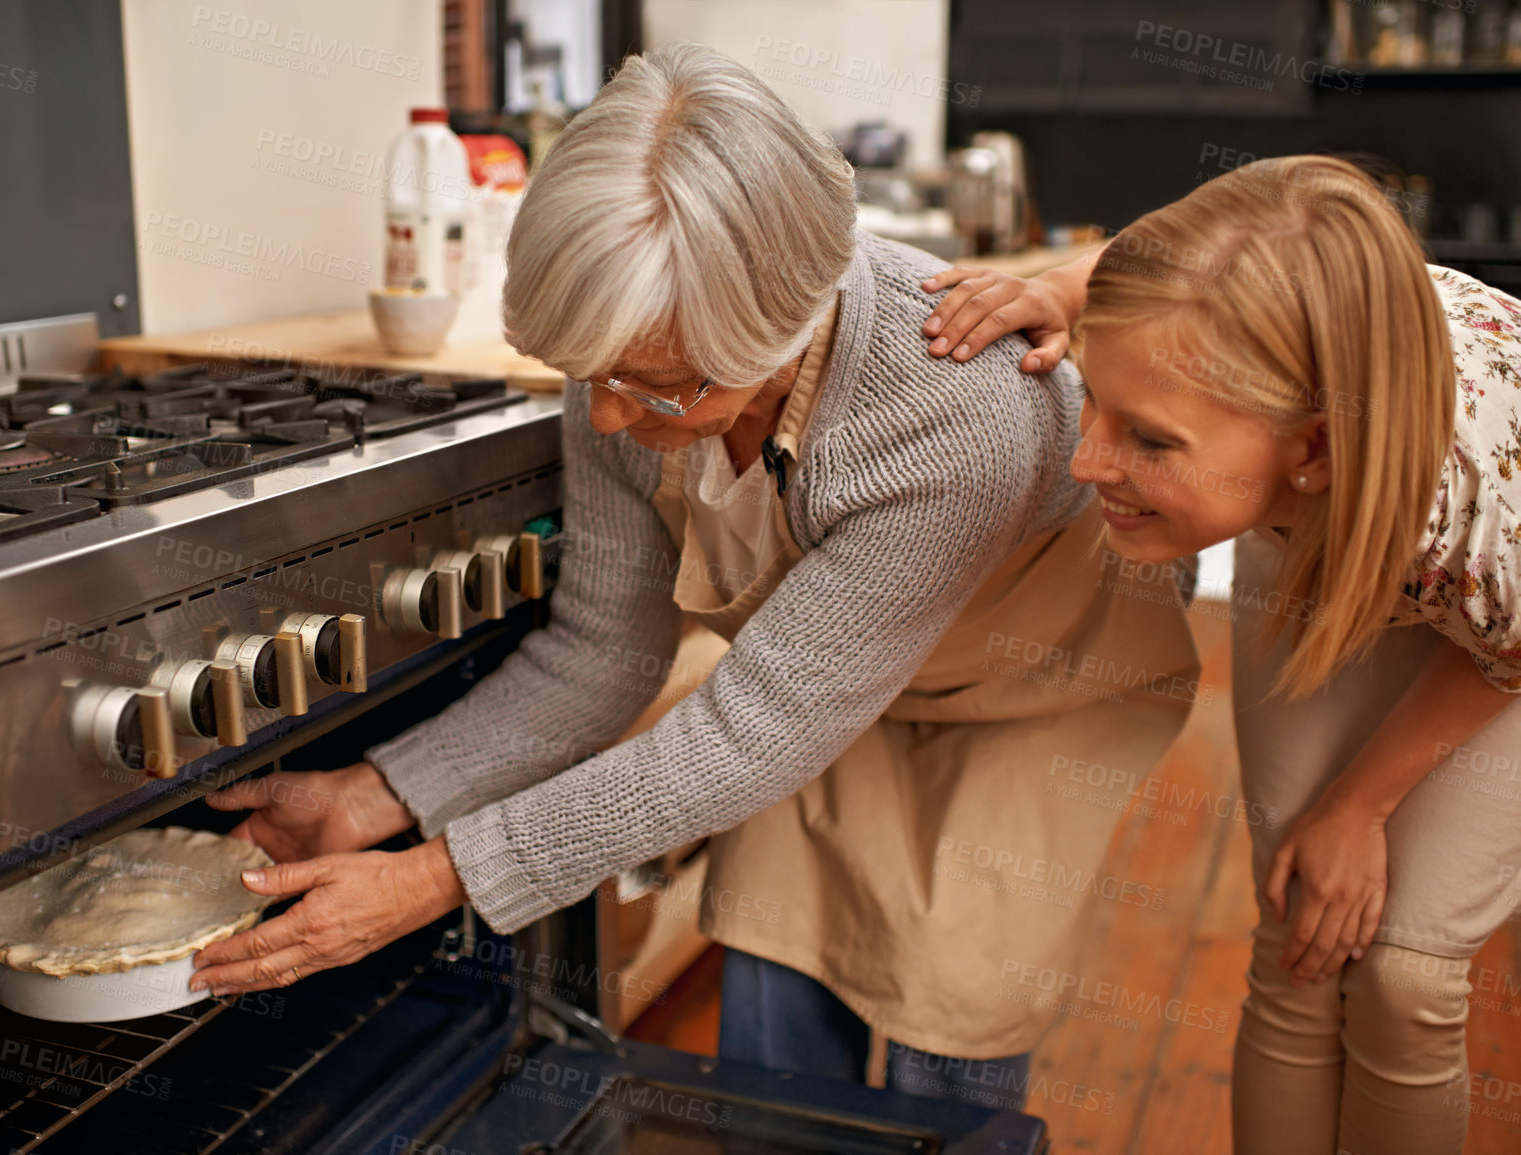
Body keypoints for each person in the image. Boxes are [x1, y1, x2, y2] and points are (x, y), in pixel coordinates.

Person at [189, 42, 1198, 1110]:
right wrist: (375, 794)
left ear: (788, 328)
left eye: (662, 391)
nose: (614, 418)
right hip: (810, 689)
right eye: (593, 379)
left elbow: (748, 738)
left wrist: (435, 876)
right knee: (774, 966)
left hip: (1029, 700)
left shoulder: (955, 411)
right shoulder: (632, 349)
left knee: (949, 1009)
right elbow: (602, 652)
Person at [919, 154, 1521, 1154]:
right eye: (1093, 406)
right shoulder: (1255, 364)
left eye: (1148, 441)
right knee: (1301, 932)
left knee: (1406, 975)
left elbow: (1508, 643)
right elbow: (1183, 265)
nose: (1087, 463)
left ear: (1316, 447)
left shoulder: (1473, 517)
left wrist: (1357, 809)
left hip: (1495, 607)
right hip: (1327, 529)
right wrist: (1059, 291)